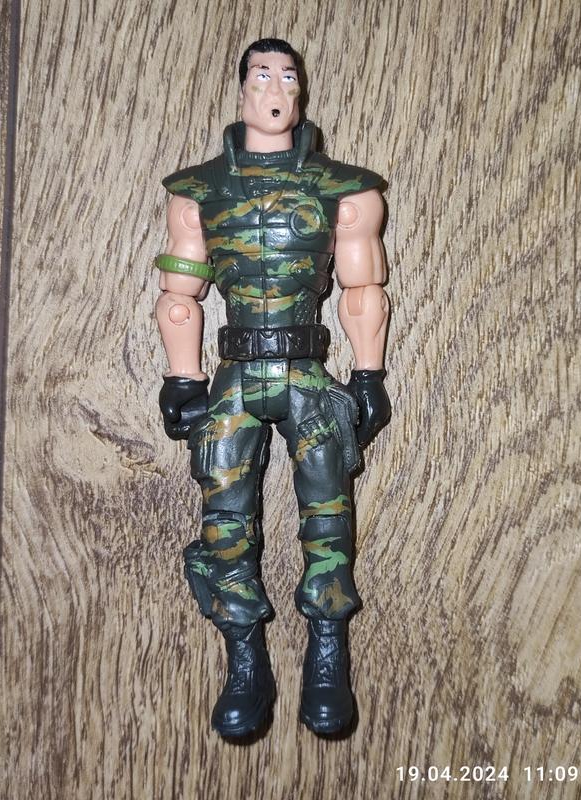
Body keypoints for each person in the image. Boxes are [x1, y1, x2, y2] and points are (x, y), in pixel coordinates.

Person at [155, 38, 391, 738]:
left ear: (300, 90)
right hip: (235, 372)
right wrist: (181, 376)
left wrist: (369, 373)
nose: (276, 89)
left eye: (288, 76)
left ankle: (328, 650)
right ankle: (244, 658)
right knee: (223, 519)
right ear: (242, 91)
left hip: (306, 368)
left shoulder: (344, 188)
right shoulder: (199, 191)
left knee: (328, 509)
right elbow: (179, 296)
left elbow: (363, 288)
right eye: (262, 75)